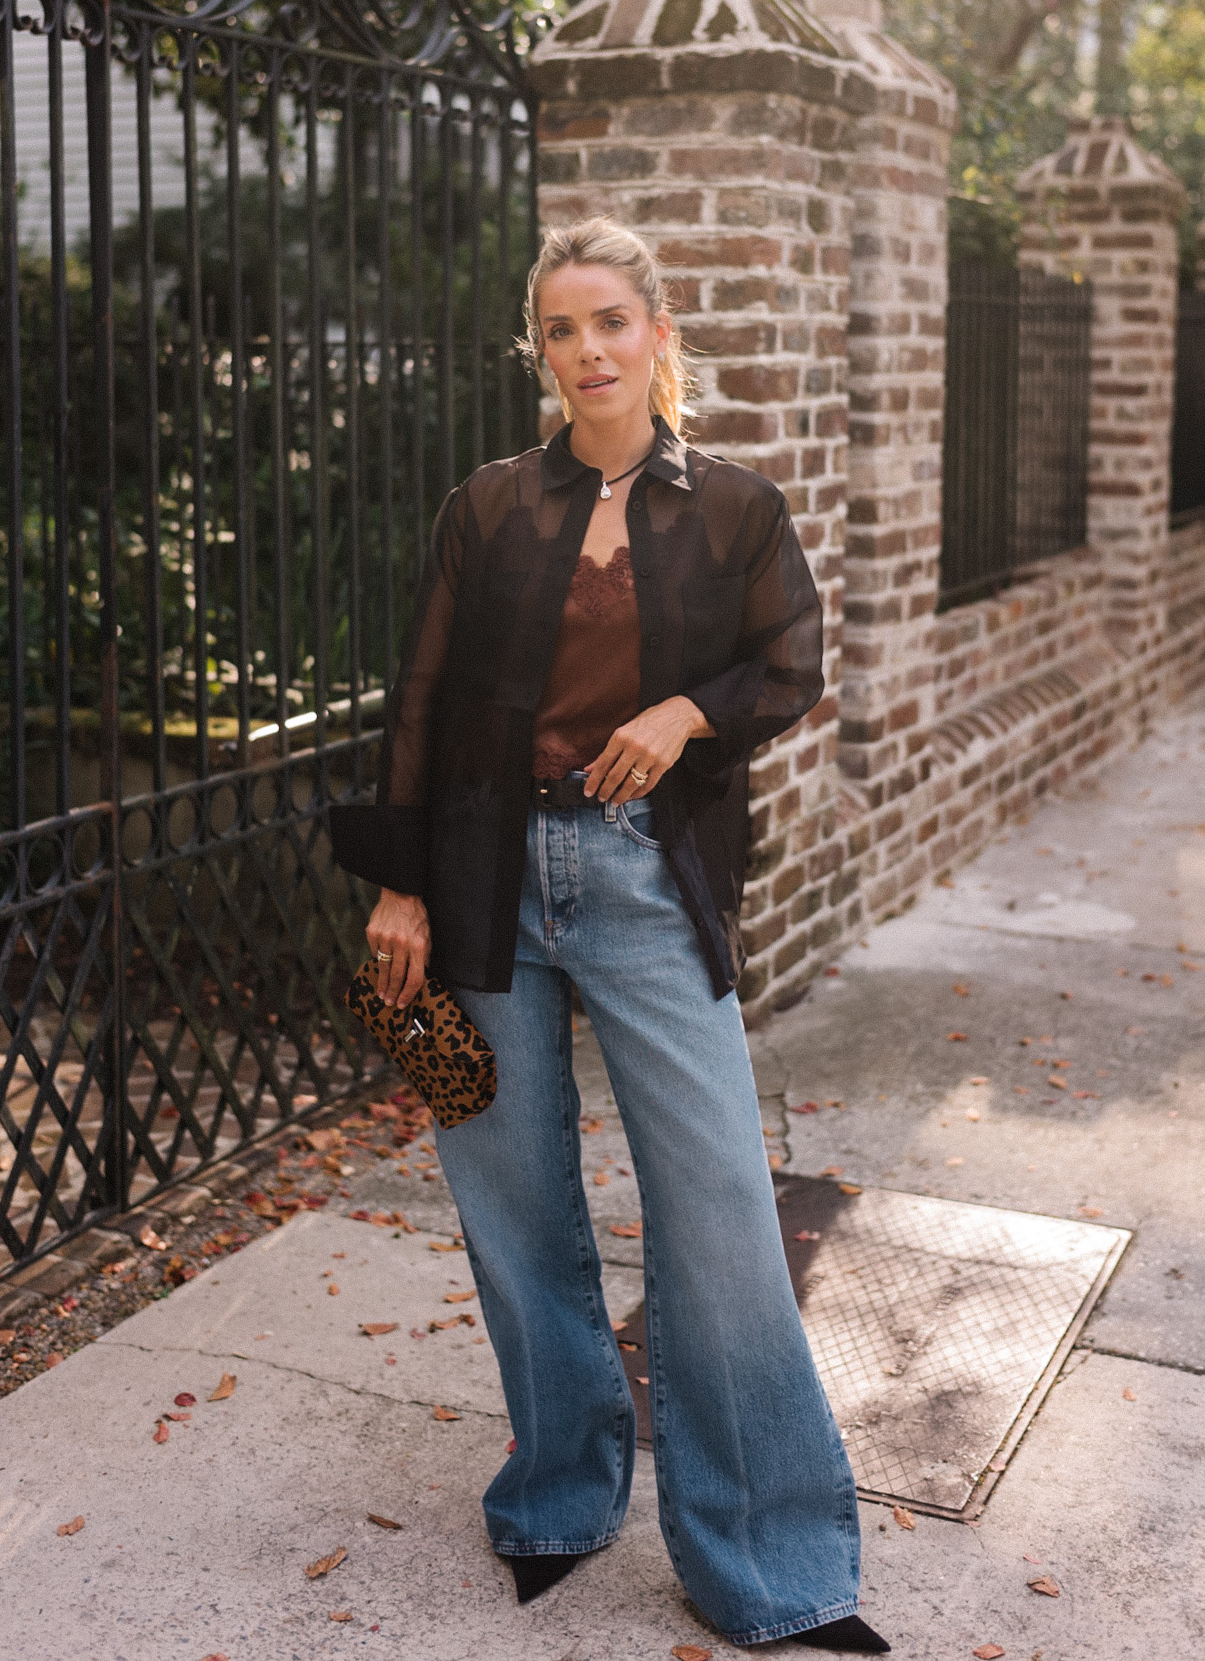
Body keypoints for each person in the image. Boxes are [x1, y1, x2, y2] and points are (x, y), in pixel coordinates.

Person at [330, 217, 886, 1653]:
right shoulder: (489, 507)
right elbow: (424, 697)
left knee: (718, 1210)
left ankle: (770, 1559)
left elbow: (792, 661)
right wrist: (401, 883)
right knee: (514, 1205)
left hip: (643, 877)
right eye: (561, 330)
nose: (588, 352)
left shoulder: (735, 508)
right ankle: (560, 1495)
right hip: (483, 880)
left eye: (611, 323)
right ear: (540, 350)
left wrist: (686, 711)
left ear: (659, 333)